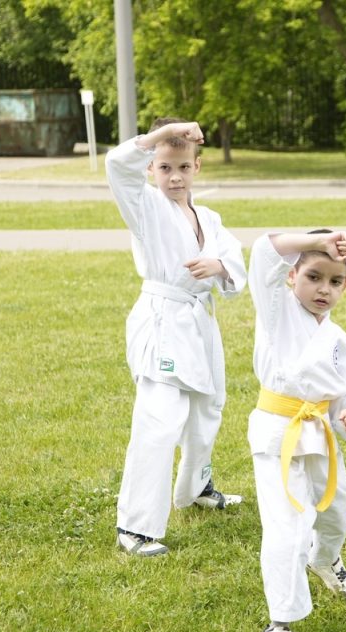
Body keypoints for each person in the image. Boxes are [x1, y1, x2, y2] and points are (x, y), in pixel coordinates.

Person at [106, 118, 247, 557]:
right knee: (160, 420)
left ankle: (195, 488)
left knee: (208, 408)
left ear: (197, 167)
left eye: (183, 167)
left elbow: (233, 259)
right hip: (164, 318)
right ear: (151, 167)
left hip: (199, 320)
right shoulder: (144, 206)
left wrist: (219, 267)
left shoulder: (208, 217)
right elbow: (116, 165)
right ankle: (135, 528)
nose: (174, 177)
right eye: (164, 167)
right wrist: (161, 135)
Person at [247, 229, 346, 632]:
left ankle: (327, 560)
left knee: (337, 507)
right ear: (291, 275)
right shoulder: (276, 310)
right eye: (313, 276)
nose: (323, 289)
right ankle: (278, 624)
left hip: (318, 432)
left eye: (334, 281)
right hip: (278, 431)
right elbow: (264, 250)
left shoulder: (338, 340)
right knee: (288, 526)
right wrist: (319, 236)